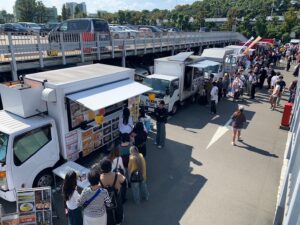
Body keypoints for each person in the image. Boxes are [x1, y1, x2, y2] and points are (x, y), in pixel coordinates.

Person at [99, 159, 126, 225]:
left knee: (108, 212)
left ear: (101, 169)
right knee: (119, 208)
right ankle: (119, 221)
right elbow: (124, 182)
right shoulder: (117, 175)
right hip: (116, 196)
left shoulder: (99, 178)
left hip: (105, 198)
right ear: (110, 167)